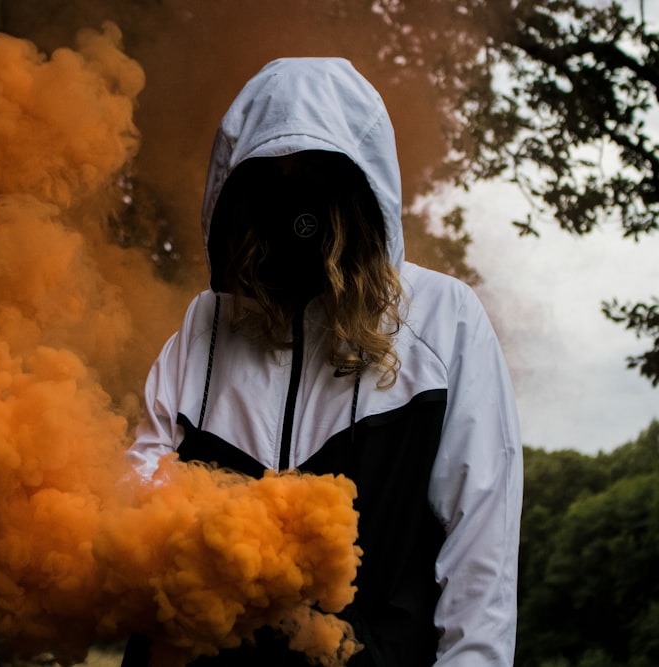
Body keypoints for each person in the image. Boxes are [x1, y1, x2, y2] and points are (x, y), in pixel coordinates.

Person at [123, 57, 523, 666]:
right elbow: (137, 499)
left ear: (364, 184)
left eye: (315, 172)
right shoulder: (204, 326)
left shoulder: (444, 319)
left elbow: (481, 555)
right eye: (272, 177)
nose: (295, 203)